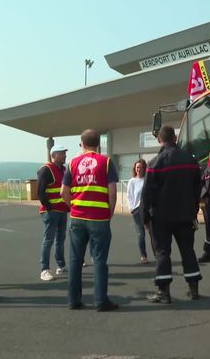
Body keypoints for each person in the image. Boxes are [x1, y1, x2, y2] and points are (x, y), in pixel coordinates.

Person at [142, 125, 202, 304]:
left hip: (161, 217)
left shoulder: (155, 163)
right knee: (188, 251)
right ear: (175, 138)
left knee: (162, 253)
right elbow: (197, 188)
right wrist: (193, 209)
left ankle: (163, 293)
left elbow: (147, 195)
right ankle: (194, 290)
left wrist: (145, 218)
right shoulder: (190, 160)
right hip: (185, 215)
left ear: (160, 140)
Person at [61, 129, 119, 312]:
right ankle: (101, 301)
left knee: (75, 260)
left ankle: (73, 300)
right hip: (99, 218)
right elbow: (112, 191)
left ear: (82, 144)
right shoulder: (106, 161)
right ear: (98, 144)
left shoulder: (72, 163)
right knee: (100, 260)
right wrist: (109, 212)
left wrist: (74, 207)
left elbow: (64, 192)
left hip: (77, 218)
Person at [37, 144, 70, 281]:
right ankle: (44, 269)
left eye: (64, 153)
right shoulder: (46, 170)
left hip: (62, 211)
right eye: (62, 153)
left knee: (60, 240)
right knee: (48, 240)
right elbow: (40, 192)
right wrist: (49, 207)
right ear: (54, 155)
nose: (65, 155)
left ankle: (61, 265)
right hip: (51, 212)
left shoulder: (63, 169)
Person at [127, 159, 149, 264]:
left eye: (140, 167)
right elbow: (129, 196)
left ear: (144, 168)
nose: (138, 169)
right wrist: (131, 207)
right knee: (141, 234)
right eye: (137, 167)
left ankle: (158, 255)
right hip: (137, 210)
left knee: (154, 233)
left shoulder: (147, 180)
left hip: (148, 210)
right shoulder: (132, 181)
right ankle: (143, 255)